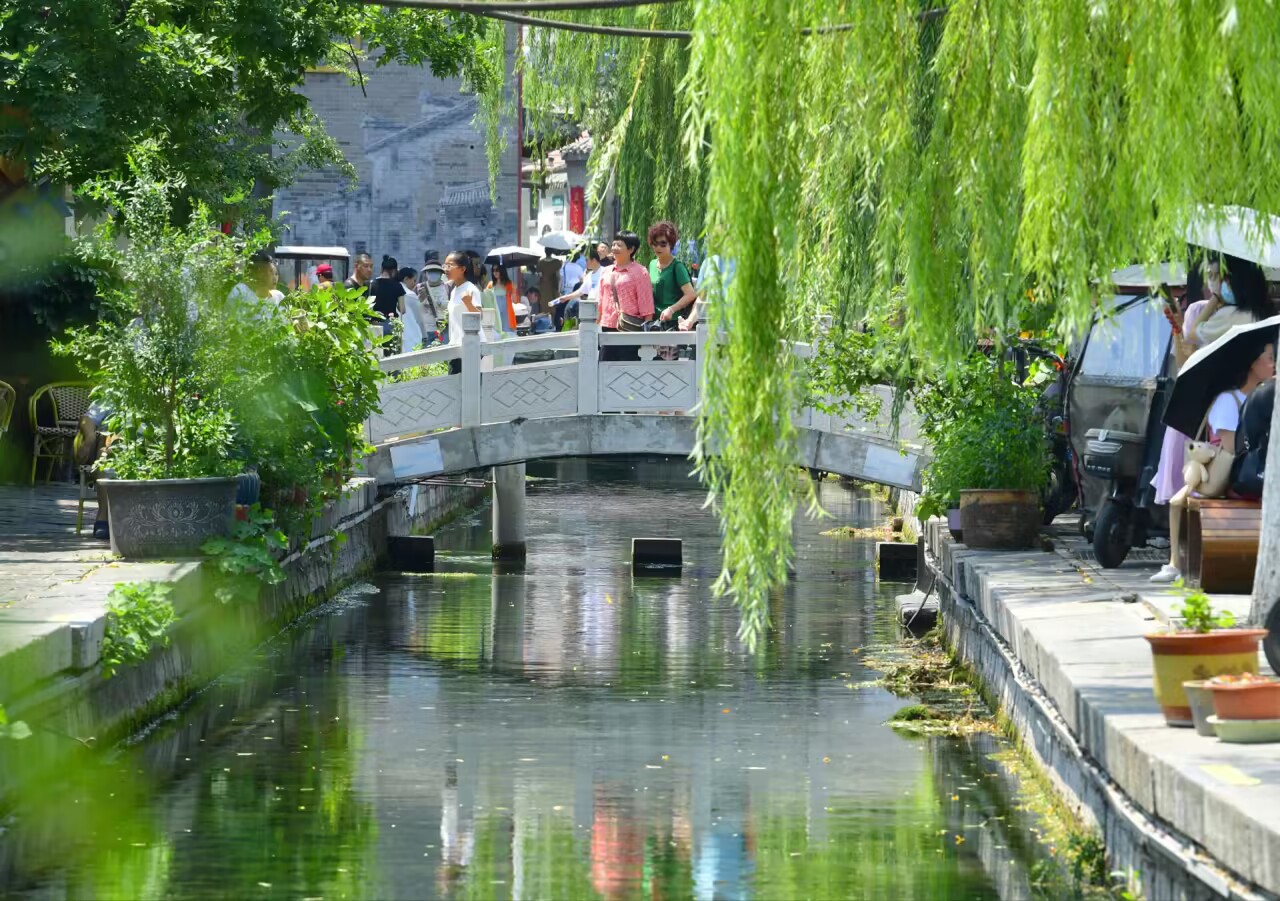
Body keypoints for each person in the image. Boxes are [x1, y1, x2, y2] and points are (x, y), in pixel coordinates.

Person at [1152, 255, 1272, 506]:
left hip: (1220, 399)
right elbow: (1187, 358)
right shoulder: (1260, 311)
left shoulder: (1231, 315)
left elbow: (1193, 335)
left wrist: (1212, 303)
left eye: (1219, 278)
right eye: (1211, 277)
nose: (1213, 285)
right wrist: (1179, 330)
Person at [1151, 342, 1275, 583]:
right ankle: (1175, 561)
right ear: (1252, 363)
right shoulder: (1229, 401)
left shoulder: (1262, 395)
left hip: (1253, 468)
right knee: (1179, 501)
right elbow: (1230, 450)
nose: (1273, 364)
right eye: (1269, 358)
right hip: (1231, 473)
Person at [597, 231, 655, 362]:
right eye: (613, 244)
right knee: (605, 369)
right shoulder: (607, 271)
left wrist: (646, 338)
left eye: (619, 245)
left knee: (627, 370)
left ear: (631, 249)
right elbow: (600, 299)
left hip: (629, 328)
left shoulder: (640, 272)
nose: (614, 248)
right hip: (607, 327)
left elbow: (647, 306)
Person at [444, 250, 484, 374]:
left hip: (470, 347)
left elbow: (479, 316)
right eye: (444, 265)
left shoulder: (470, 288)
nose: (446, 269)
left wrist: (468, 303)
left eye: (449, 265)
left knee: (467, 388)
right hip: (457, 347)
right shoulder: (454, 290)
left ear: (462, 269)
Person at [551, 246, 603, 330]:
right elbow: (581, 291)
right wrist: (566, 297)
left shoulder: (604, 272)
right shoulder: (589, 275)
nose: (585, 262)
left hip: (601, 307)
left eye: (587, 260)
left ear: (593, 260)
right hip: (590, 306)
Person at [368, 256, 406, 333]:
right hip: (390, 323)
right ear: (394, 270)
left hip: (374, 324)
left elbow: (368, 307)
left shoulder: (371, 284)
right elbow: (402, 310)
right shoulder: (397, 285)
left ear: (382, 269)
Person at [536, 248, 562, 315]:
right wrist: (559, 290)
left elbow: (539, 275)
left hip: (544, 287)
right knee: (554, 308)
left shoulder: (540, 262)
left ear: (545, 252)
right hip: (553, 287)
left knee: (544, 307)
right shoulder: (556, 262)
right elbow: (559, 277)